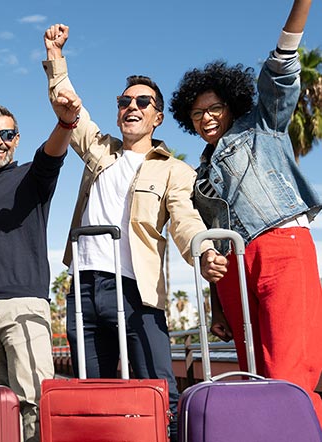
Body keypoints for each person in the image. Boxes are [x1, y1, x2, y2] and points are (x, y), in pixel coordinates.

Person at [43, 23, 225, 441]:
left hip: (136, 292)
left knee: (159, 388)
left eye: (143, 102)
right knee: (96, 392)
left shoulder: (174, 170)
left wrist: (202, 250)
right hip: (84, 288)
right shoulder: (98, 148)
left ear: (157, 117)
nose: (132, 107)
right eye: (125, 101)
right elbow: (69, 106)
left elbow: (184, 218)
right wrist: (55, 57)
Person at [169, 0, 322, 422]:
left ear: (231, 104)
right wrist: (218, 305)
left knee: (290, 370)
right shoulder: (199, 174)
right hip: (235, 270)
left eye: (214, 107)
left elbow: (282, 65)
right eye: (197, 113)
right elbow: (213, 235)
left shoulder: (261, 124)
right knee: (253, 373)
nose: (206, 118)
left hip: (280, 246)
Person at [0, 45, 81, 440]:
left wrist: (64, 124)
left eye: (6, 134)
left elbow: (51, 157)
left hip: (23, 305)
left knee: (33, 401)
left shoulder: (32, 179)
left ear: (16, 138)